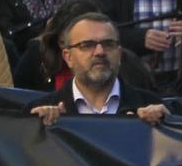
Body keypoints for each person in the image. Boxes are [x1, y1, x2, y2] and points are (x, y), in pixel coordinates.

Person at [28, 14, 171, 125]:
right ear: (68, 57)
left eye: (108, 44)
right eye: (87, 45)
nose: (99, 52)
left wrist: (166, 123)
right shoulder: (39, 112)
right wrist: (36, 130)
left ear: (119, 54)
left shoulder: (151, 106)